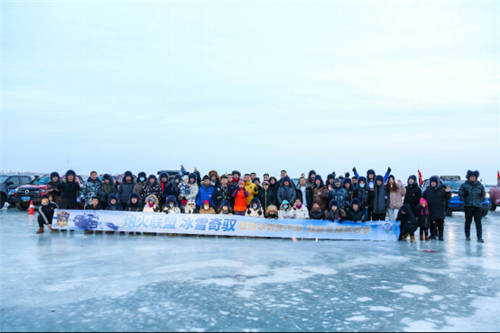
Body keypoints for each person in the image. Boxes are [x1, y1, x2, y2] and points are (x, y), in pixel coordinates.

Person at [459, 170, 486, 243]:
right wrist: (463, 195)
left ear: (476, 177)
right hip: (468, 206)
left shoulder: (480, 185)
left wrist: (482, 197)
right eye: (471, 177)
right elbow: (460, 192)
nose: (473, 178)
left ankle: (479, 237)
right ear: (468, 177)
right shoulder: (464, 185)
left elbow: (483, 194)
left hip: (477, 206)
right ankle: (467, 236)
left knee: (478, 222)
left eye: (474, 177)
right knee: (468, 221)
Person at [423, 176, 451, 240]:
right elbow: (423, 197)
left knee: (440, 224)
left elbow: (448, 197)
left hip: (440, 209)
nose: (433, 183)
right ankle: (433, 235)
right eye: (431, 182)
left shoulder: (442, 190)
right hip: (431, 209)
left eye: (434, 182)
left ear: (437, 182)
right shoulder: (428, 190)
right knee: (432, 224)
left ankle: (441, 236)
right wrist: (423, 203)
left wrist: (448, 192)